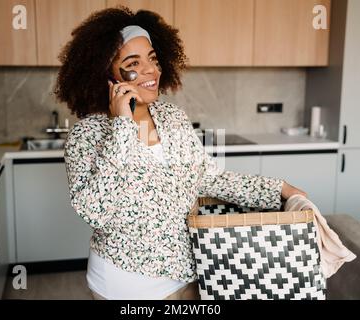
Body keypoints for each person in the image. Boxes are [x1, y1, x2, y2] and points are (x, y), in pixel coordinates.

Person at [54, 7, 307, 300]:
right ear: (105, 73)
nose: (151, 71)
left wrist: (281, 189)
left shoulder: (172, 117)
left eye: (153, 59)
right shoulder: (88, 134)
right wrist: (122, 124)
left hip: (187, 274)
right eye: (133, 62)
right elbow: (95, 210)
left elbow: (210, 177)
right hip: (124, 282)